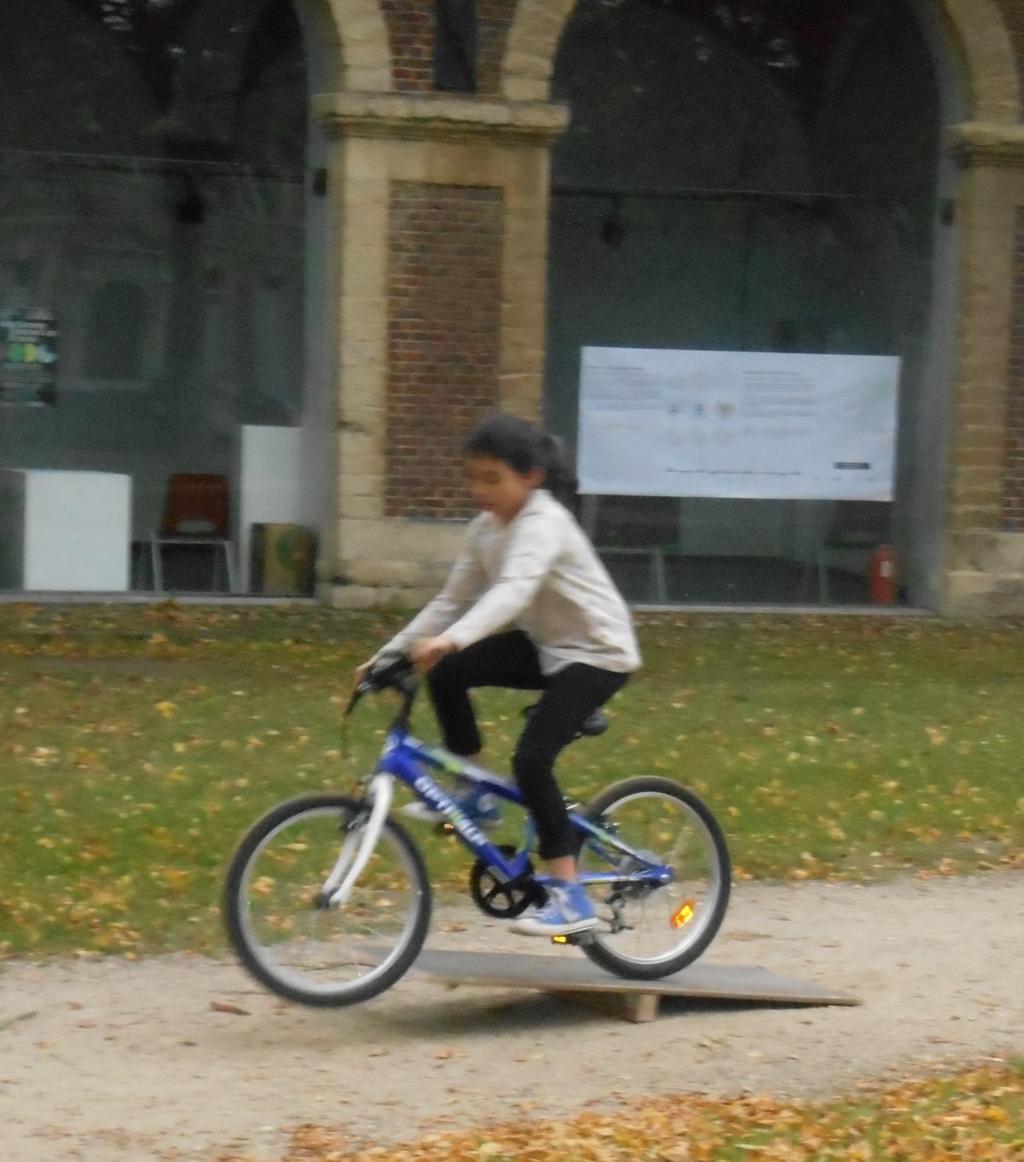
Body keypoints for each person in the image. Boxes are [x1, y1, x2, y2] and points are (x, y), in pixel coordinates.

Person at [356, 414, 640, 937]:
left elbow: (512, 592)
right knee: (448, 672)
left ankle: (569, 899)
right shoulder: (485, 530)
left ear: (530, 477)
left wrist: (453, 639)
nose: (479, 490)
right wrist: (388, 657)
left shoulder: (544, 523)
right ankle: (477, 794)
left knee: (533, 761)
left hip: (599, 653)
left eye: (493, 479)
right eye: (473, 478)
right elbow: (451, 600)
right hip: (548, 646)